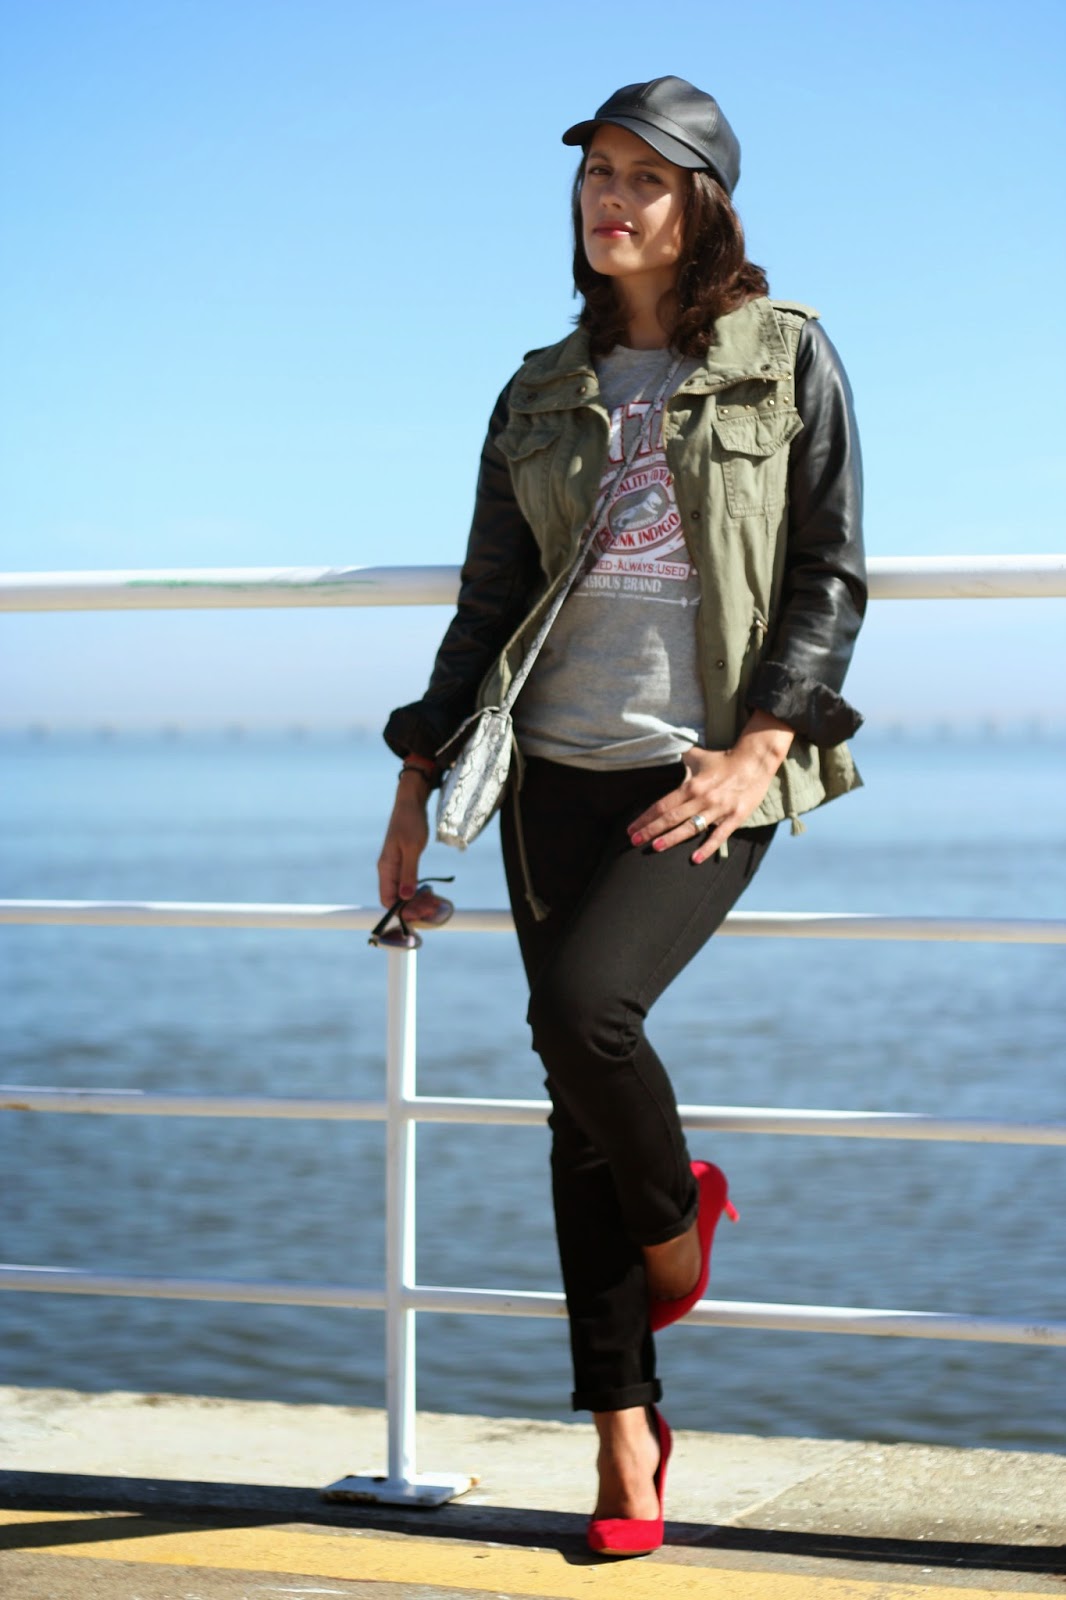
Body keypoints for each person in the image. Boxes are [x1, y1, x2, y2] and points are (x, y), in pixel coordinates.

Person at [377, 75, 866, 1555]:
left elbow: (828, 570)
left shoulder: (785, 354)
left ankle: (673, 1223)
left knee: (585, 1018)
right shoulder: (536, 387)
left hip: (701, 769)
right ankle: (622, 1438)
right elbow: (486, 605)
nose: (611, 199)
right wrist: (411, 783)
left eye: (644, 178)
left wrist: (757, 749)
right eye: (595, 172)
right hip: (548, 769)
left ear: (702, 204)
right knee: (570, 1107)